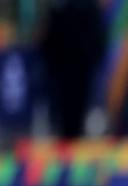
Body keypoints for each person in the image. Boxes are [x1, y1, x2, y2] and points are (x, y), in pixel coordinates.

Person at [37, 0, 107, 140]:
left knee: (79, 113)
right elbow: (47, 42)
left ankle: (74, 144)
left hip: (81, 70)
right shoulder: (59, 8)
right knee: (64, 116)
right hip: (64, 72)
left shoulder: (87, 8)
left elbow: (98, 40)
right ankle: (68, 146)